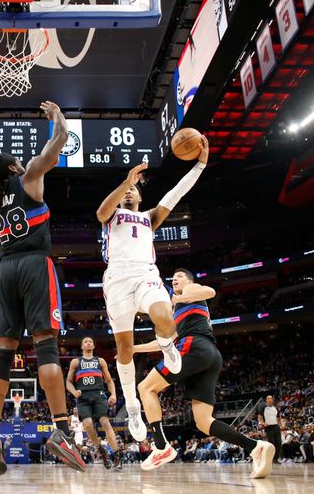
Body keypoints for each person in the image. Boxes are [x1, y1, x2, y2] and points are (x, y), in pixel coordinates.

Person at [0, 101, 85, 476]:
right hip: (36, 264)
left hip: (5, 269)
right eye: (19, 163)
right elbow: (61, 141)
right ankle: (58, 430)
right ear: (13, 168)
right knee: (46, 346)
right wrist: (57, 117)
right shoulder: (29, 177)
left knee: (3, 353)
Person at [95, 138, 208, 441]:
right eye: (126, 190)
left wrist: (200, 164)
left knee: (164, 317)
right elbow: (101, 211)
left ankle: (169, 350)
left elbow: (176, 192)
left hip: (146, 274)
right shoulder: (113, 216)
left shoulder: (150, 217)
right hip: (117, 279)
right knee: (124, 349)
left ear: (141, 197)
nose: (130, 191)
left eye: (134, 188)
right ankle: (132, 406)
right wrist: (125, 181)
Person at [134, 268, 275, 479]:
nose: (175, 280)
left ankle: (161, 446)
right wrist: (134, 349)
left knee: (145, 387)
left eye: (179, 277)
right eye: (173, 279)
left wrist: (172, 298)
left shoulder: (190, 290)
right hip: (209, 355)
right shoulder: (178, 309)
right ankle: (255, 446)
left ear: (189, 280)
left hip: (194, 346)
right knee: (203, 421)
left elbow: (209, 291)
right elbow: (166, 340)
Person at [65, 337, 123, 470]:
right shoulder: (76, 362)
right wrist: (74, 392)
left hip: (99, 395)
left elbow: (109, 381)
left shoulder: (100, 361)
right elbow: (68, 382)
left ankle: (117, 456)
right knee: (87, 424)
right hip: (83, 397)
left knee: (105, 422)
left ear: (94, 345)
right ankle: (100, 449)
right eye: (85, 341)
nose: (88, 343)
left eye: (91, 341)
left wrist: (113, 394)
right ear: (82, 346)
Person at [258, 395, 281, 463]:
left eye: (271, 398)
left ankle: (276, 458)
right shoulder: (263, 408)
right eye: (268, 398)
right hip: (269, 427)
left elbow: (278, 417)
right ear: (266, 400)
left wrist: (279, 423)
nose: (270, 399)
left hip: (276, 426)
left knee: (279, 442)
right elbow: (259, 417)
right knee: (272, 443)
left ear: (272, 400)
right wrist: (263, 423)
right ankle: (272, 458)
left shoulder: (275, 408)